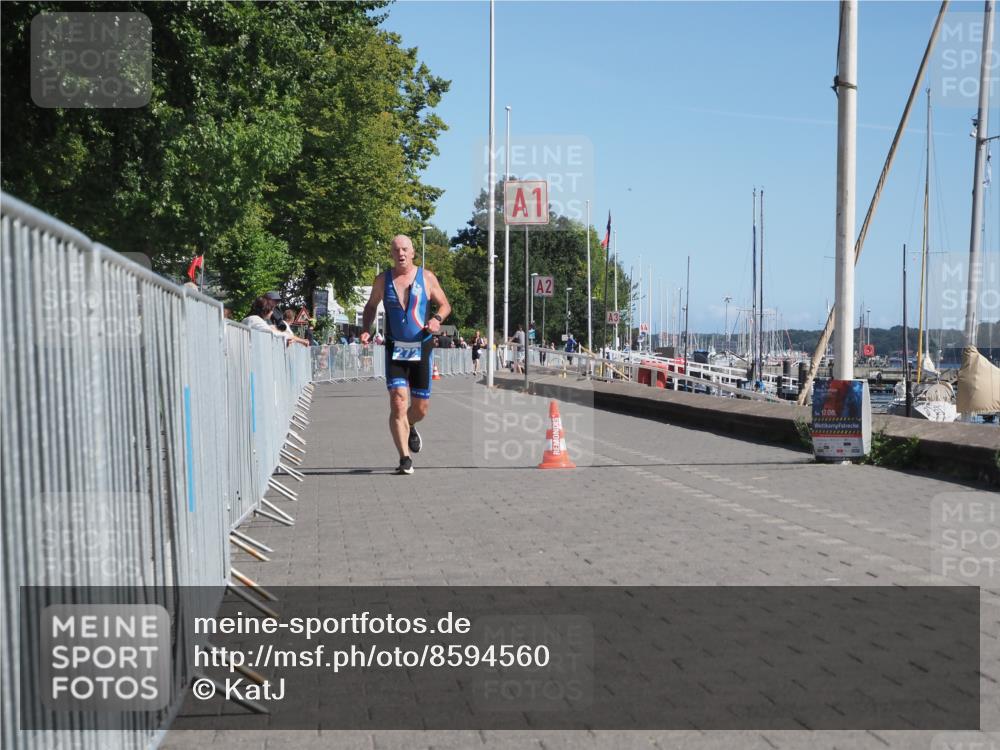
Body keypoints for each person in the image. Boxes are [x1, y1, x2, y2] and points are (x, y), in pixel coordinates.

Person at [361, 235, 451, 475]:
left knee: (420, 408)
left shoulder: (427, 277)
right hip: (395, 348)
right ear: (391, 253)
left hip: (421, 347)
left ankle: (410, 424)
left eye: (405, 249)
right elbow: (371, 306)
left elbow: (445, 305)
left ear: (413, 253)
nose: (400, 253)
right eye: (396, 250)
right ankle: (404, 459)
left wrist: (436, 319)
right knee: (398, 401)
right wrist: (365, 330)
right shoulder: (383, 280)